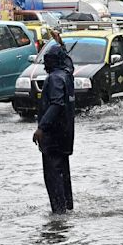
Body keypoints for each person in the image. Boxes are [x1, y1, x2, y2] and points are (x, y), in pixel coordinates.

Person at [32, 45, 75, 214]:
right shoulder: (67, 75)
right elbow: (70, 64)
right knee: (64, 173)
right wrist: (61, 44)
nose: (44, 65)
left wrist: (42, 128)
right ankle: (67, 207)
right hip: (66, 136)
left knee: (53, 175)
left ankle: (58, 213)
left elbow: (56, 104)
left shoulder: (54, 79)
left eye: (46, 61)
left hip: (53, 137)